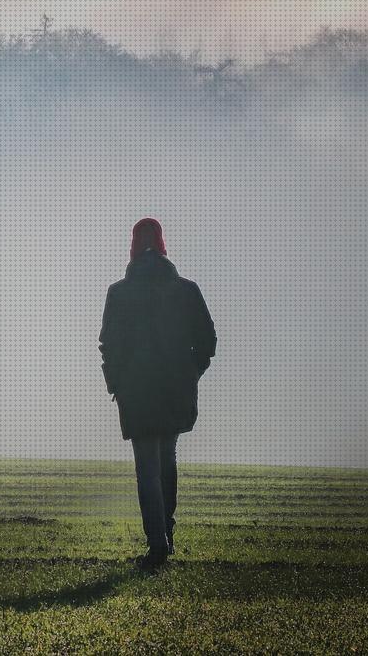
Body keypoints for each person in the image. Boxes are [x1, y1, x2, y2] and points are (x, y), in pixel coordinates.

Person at [98, 217, 216, 571]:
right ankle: (167, 533)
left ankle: (157, 543)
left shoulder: (119, 292)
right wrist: (190, 373)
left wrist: (116, 382)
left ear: (133, 246)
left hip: (137, 392)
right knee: (167, 461)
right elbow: (207, 341)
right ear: (163, 245)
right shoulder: (186, 290)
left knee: (147, 467)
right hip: (176, 389)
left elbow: (108, 345)